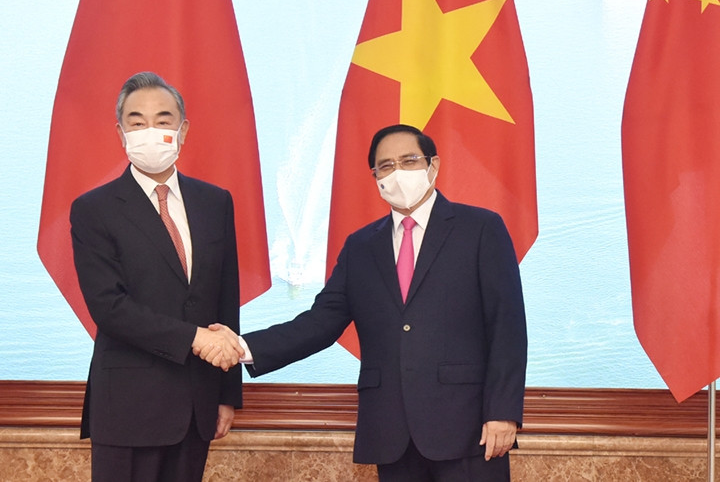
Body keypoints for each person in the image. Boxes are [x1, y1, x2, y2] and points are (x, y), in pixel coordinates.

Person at [199, 124, 527, 481]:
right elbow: (321, 322)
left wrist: (503, 412)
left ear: (433, 166)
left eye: (408, 160)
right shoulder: (361, 247)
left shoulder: (480, 228)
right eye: (385, 166)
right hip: (392, 433)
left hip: (469, 430)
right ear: (375, 177)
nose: (397, 172)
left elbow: (507, 327)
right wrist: (242, 347)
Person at [70, 71, 245, 482]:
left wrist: (227, 394)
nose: (150, 130)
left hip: (198, 404)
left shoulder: (215, 202)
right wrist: (195, 338)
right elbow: (109, 307)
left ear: (182, 130)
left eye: (163, 120)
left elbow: (225, 299)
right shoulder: (94, 209)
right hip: (129, 407)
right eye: (137, 121)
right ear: (121, 132)